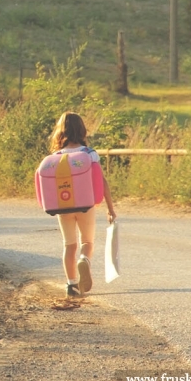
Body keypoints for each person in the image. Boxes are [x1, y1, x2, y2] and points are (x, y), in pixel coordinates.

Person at [48, 112, 117, 298]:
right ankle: (84, 260)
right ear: (82, 129)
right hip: (86, 206)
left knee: (69, 245)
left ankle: (71, 285)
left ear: (61, 131)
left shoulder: (56, 157)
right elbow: (102, 182)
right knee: (87, 241)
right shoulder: (90, 154)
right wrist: (110, 209)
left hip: (63, 207)